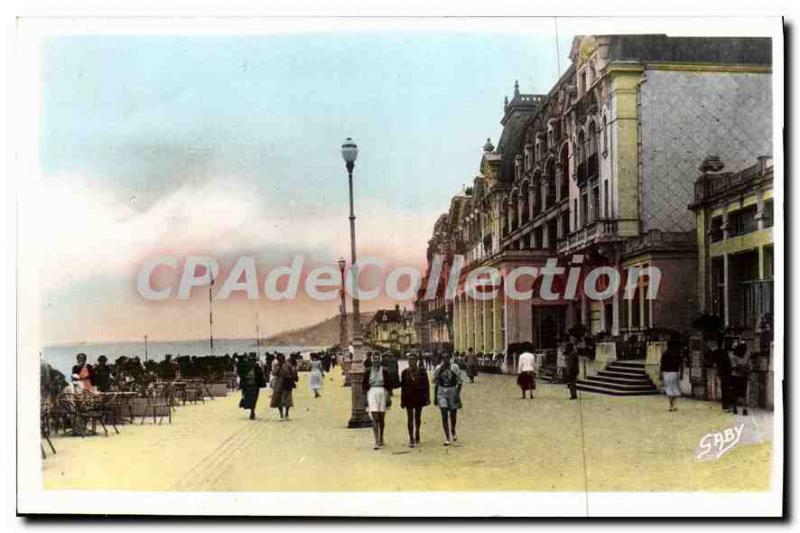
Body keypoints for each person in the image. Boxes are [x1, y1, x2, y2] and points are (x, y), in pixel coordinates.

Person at [362, 353, 393, 450]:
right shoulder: (368, 371)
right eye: (374, 359)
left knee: (381, 418)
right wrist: (365, 397)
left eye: (377, 359)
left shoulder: (384, 371)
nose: (376, 361)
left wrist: (388, 396)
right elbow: (364, 385)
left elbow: (389, 385)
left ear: (380, 360)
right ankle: (377, 440)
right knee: (374, 416)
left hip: (382, 392)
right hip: (372, 392)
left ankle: (382, 436)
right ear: (372, 360)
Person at [400, 354, 430, 448]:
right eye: (409, 360)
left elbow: (426, 386)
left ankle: (417, 431)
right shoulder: (404, 372)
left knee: (417, 417)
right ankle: (411, 438)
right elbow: (403, 388)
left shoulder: (422, 372)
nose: (411, 362)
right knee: (410, 418)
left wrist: (427, 398)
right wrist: (402, 400)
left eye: (413, 360)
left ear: (416, 361)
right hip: (408, 398)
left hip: (419, 397)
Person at [432, 353, 462, 446]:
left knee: (453, 414)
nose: (445, 360)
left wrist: (457, 394)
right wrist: (435, 397)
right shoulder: (438, 368)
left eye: (447, 358)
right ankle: (447, 436)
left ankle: (453, 429)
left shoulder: (454, 367)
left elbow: (460, 382)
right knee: (444, 413)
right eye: (443, 358)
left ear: (450, 358)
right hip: (441, 391)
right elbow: (436, 382)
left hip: (452, 390)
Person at [270, 353, 297, 420]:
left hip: (287, 382)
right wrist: (279, 367)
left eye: (281, 358)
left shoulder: (288, 364)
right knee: (278, 398)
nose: (280, 360)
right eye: (278, 359)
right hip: (278, 383)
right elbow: (274, 373)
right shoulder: (277, 365)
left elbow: (293, 372)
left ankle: (287, 413)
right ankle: (281, 414)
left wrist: (291, 377)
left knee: (287, 398)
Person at [238, 355, 266, 420]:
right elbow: (241, 375)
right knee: (248, 399)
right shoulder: (246, 368)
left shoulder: (257, 368)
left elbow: (261, 376)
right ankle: (251, 410)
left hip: (255, 385)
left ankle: (252, 411)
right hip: (247, 386)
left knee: (254, 399)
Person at [660, 340, 683, 412]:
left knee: (669, 389)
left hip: (666, 373)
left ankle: (671, 405)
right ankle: (675, 404)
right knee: (675, 389)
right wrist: (681, 374)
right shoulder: (677, 353)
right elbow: (681, 364)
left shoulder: (665, 354)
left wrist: (660, 374)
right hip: (675, 372)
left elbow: (661, 365)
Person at [711, 340, 733, 412]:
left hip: (722, 371)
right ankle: (727, 404)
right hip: (727, 371)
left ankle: (725, 404)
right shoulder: (724, 352)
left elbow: (713, 362)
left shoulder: (716, 352)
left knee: (723, 388)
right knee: (727, 388)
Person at [730, 344, 751, 416]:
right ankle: (736, 408)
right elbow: (735, 367)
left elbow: (747, 366)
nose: (745, 351)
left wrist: (741, 367)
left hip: (740, 376)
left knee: (742, 393)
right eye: (744, 350)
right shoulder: (734, 357)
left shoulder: (744, 357)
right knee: (737, 393)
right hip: (737, 376)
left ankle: (743, 409)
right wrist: (744, 368)